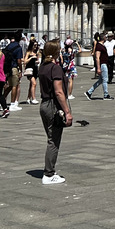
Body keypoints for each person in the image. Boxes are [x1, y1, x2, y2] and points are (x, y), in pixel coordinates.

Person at [37, 40, 72, 184]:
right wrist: (67, 111)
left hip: (44, 104)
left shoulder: (42, 67)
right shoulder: (55, 68)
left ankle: (50, 171)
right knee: (53, 141)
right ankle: (49, 174)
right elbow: (58, 92)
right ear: (56, 52)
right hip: (53, 105)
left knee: (51, 138)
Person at [87, 35, 112, 100]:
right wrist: (98, 68)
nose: (106, 38)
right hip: (102, 64)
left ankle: (89, 92)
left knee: (101, 80)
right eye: (105, 37)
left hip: (104, 64)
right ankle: (106, 95)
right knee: (105, 80)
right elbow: (97, 57)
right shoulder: (99, 46)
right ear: (103, 38)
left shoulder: (102, 45)